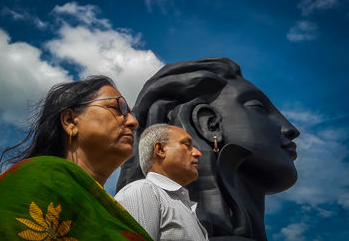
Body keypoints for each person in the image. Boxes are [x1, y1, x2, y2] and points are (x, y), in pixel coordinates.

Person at [117, 58, 300, 241]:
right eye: (258, 107)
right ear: (209, 124)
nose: (290, 129)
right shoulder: (142, 193)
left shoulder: (191, 215)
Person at [0, 76, 152, 241]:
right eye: (117, 108)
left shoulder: (112, 212)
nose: (133, 122)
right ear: (70, 121)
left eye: (131, 113)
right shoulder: (35, 177)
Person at [115, 124, 209, 241]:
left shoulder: (184, 205)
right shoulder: (142, 191)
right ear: (160, 149)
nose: (197, 153)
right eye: (187, 145)